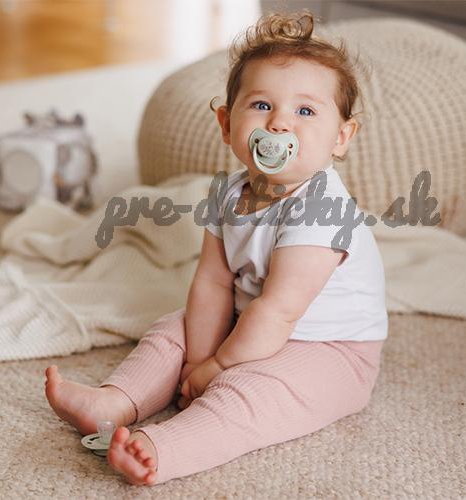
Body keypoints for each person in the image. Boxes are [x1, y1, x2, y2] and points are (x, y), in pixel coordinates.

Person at [44, 10, 388, 486]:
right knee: (173, 328)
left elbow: (279, 310)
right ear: (227, 124)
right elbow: (212, 282)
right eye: (262, 105)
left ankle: (167, 448)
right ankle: (115, 401)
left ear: (341, 138)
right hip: (251, 322)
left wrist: (219, 367)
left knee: (249, 390)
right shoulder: (228, 193)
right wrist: (196, 357)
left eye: (306, 112)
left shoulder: (321, 210)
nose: (280, 124)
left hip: (330, 351)